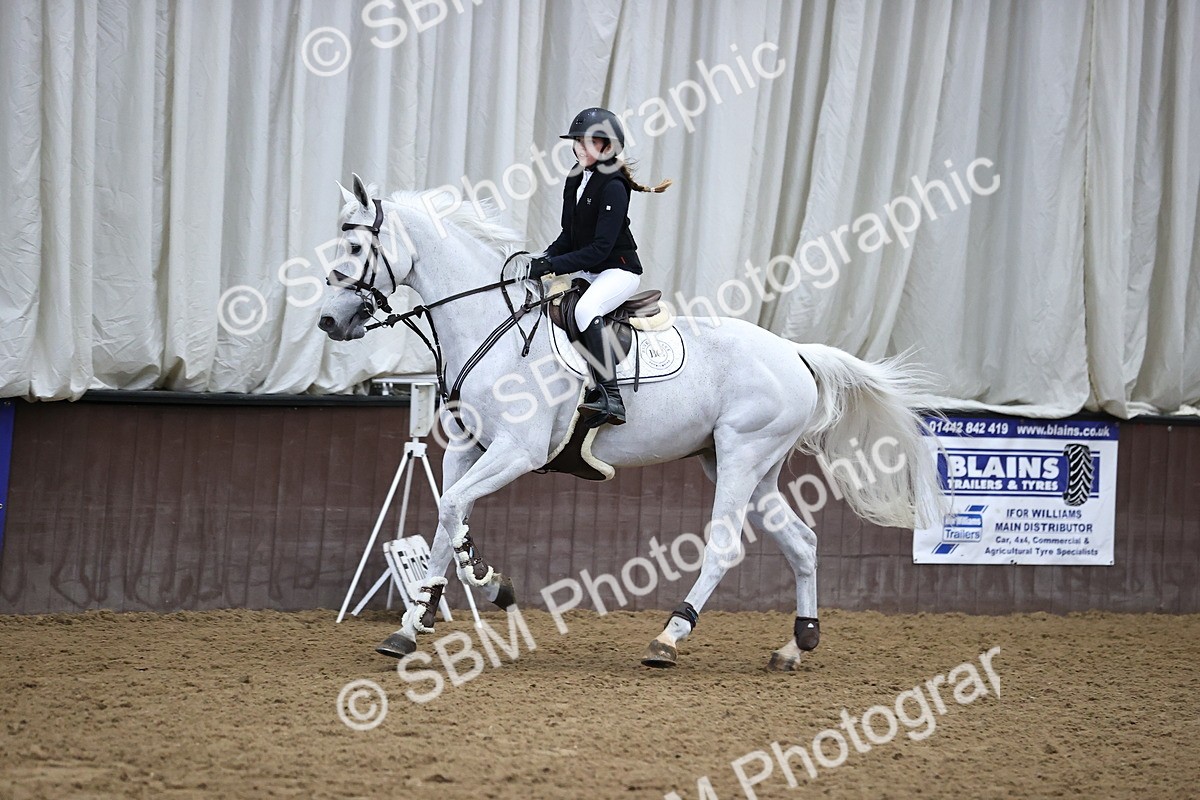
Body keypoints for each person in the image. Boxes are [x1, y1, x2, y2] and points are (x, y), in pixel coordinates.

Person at [528, 107, 671, 426]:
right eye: (577, 141)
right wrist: (540, 259)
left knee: (585, 310)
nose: (580, 148)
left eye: (589, 142)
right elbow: (569, 235)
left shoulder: (613, 186)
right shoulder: (575, 177)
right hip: (589, 270)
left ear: (607, 147)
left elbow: (599, 250)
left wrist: (553, 265)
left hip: (618, 270)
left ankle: (611, 396)